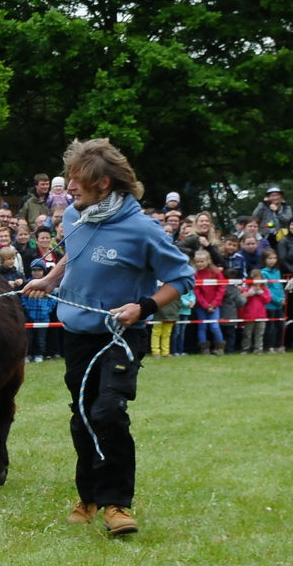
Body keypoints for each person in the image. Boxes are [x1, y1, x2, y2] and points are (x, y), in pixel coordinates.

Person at [23, 138, 193, 538]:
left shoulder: (142, 229)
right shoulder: (74, 219)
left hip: (121, 336)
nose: (68, 188)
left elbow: (182, 278)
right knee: (82, 420)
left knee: (108, 412)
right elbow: (76, 254)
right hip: (77, 336)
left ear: (103, 183)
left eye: (77, 180)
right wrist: (51, 278)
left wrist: (143, 307)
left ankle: (118, 504)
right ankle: (90, 496)